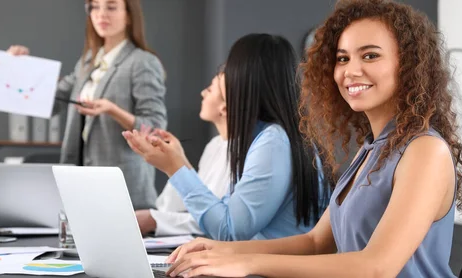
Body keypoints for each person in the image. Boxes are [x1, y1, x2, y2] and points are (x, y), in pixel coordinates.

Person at [162, 1, 462, 277]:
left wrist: (248, 264)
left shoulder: (425, 150)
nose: (351, 70)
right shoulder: (370, 150)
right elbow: (316, 242)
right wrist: (225, 251)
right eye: (342, 59)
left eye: (369, 56)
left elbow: (375, 267)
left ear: (407, 65)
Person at [123, 33, 329, 241]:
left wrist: (174, 167)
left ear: (246, 79)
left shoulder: (273, 142)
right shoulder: (273, 138)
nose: (224, 73)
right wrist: (178, 162)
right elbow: (224, 215)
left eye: (230, 68)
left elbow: (229, 230)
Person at [7, 0, 166, 210]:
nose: (101, 14)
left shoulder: (142, 62)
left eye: (111, 7)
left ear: (128, 15)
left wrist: (112, 110)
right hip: (82, 182)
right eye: (95, 7)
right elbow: (50, 102)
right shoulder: (88, 61)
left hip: (122, 186)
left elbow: (154, 127)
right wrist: (18, 68)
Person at [134, 72, 230, 236]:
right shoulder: (215, 146)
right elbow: (180, 206)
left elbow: (217, 220)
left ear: (224, 108)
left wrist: (154, 219)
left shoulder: (246, 154)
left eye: (210, 89)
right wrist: (177, 158)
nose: (203, 93)